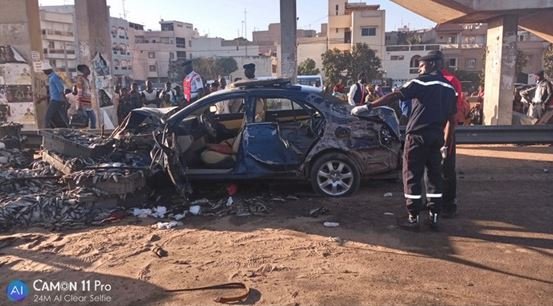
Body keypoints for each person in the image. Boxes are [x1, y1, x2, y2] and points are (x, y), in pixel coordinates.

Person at [351, 50, 457, 230]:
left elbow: (395, 96)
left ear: (431, 64)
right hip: (437, 138)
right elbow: (452, 120)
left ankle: (413, 218)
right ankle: (434, 217)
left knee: (411, 175)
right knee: (434, 177)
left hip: (417, 136)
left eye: (421, 65)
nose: (419, 69)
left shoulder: (420, 83)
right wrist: (446, 145)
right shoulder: (449, 88)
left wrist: (368, 106)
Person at [42, 62, 68, 128]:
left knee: (47, 116)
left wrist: (64, 99)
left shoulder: (53, 78)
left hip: (56, 100)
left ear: (47, 71)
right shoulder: (52, 77)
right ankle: (70, 128)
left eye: (44, 71)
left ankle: (46, 131)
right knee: (63, 117)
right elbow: (54, 92)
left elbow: (60, 89)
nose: (44, 72)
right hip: (58, 100)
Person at [76, 64, 96, 129]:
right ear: (83, 70)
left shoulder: (87, 80)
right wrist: (79, 104)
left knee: (93, 121)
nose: (88, 70)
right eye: (86, 68)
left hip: (88, 104)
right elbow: (79, 92)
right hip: (83, 104)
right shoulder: (80, 79)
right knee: (84, 123)